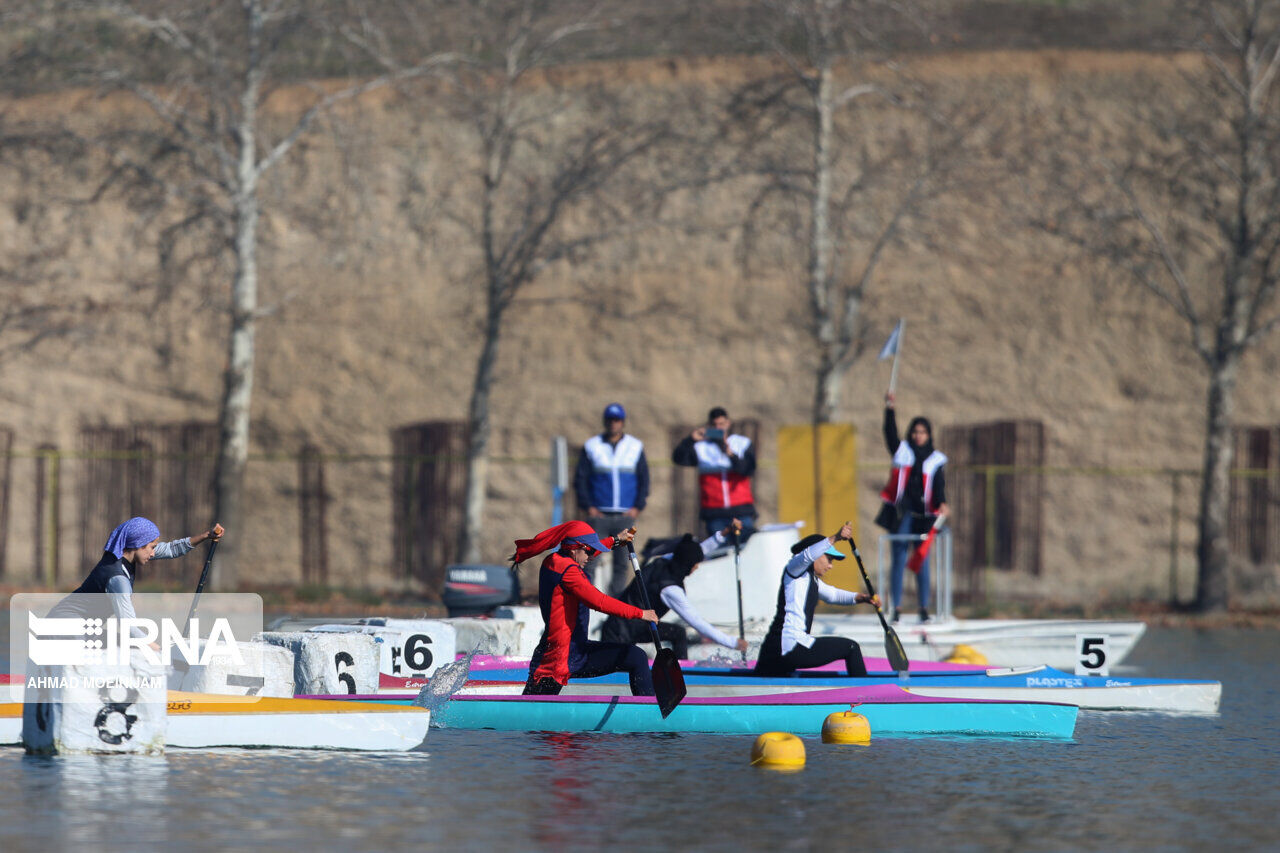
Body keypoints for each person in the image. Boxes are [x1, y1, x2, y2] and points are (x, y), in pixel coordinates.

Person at [511, 520, 660, 696]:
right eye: (589, 551)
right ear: (574, 548)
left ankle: (647, 711)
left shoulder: (553, 560)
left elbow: (587, 551)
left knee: (636, 657)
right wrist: (641, 613)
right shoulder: (569, 573)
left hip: (575, 649)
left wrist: (615, 540)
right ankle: (649, 714)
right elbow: (599, 602)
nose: (591, 557)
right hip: (559, 659)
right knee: (531, 718)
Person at [599, 519, 751, 659]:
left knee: (677, 633)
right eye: (696, 564)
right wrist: (732, 642)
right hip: (619, 634)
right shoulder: (670, 589)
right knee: (678, 634)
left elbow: (696, 551)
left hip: (628, 626)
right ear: (687, 565)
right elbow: (697, 622)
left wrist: (724, 533)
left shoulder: (667, 559)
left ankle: (680, 671)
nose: (697, 567)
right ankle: (682, 675)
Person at [753, 522, 879, 677]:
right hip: (791, 646)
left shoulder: (810, 580)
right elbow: (807, 555)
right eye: (829, 559)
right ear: (816, 555)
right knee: (851, 648)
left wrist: (862, 598)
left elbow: (833, 595)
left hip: (773, 649)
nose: (831, 566)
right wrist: (837, 537)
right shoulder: (794, 570)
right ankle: (864, 697)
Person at [46, 517, 225, 622]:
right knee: (134, 648)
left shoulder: (126, 554)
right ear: (137, 544)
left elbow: (172, 549)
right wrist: (153, 648)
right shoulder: (117, 579)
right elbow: (128, 625)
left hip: (73, 626)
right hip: (63, 628)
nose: (154, 553)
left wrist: (206, 536)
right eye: (152, 547)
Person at [877, 391, 949, 623]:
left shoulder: (936, 459)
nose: (918, 436)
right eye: (915, 432)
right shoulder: (902, 452)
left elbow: (939, 486)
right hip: (903, 513)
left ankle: (923, 608)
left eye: (923, 432)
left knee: (921, 560)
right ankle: (895, 607)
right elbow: (889, 434)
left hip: (925, 515)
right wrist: (890, 409)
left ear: (929, 435)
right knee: (898, 558)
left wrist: (943, 504)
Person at [574, 402, 649, 596]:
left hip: (625, 516)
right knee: (590, 560)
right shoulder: (592, 446)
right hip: (599, 516)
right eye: (610, 420)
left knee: (622, 564)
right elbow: (581, 478)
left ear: (622, 422)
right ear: (605, 422)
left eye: (617, 420)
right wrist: (588, 507)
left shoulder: (634, 446)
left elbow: (644, 478)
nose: (613, 424)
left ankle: (614, 603)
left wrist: (637, 507)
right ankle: (586, 599)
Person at [672, 406, 757, 538]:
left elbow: (748, 470)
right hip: (714, 513)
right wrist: (691, 440)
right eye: (714, 425)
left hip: (742, 510)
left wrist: (730, 454)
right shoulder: (701, 447)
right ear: (709, 426)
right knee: (719, 554)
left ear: (728, 423)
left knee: (746, 549)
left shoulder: (741, 443)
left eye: (721, 424)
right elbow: (679, 458)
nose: (718, 428)